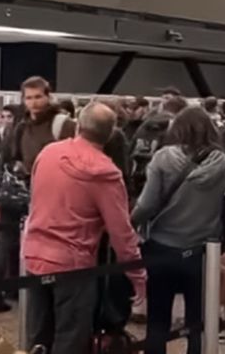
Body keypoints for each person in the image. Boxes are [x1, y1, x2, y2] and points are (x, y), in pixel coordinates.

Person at [23, 102, 146, 354]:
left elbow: (35, 197)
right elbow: (122, 235)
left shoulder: (48, 153)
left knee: (37, 338)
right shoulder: (106, 173)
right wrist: (138, 278)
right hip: (74, 265)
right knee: (70, 339)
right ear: (111, 134)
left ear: (78, 124)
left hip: (34, 256)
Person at [132, 107, 225, 354]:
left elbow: (146, 204)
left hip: (161, 248)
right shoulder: (224, 165)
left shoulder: (163, 159)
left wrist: (129, 225)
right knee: (197, 321)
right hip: (202, 252)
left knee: (158, 319)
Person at [9, 76, 76, 177]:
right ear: (23, 100)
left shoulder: (63, 124)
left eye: (38, 97)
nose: (33, 103)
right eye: (29, 98)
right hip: (30, 186)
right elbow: (17, 158)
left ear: (48, 97)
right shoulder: (22, 127)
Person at [128, 95, 188, 201]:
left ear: (162, 108)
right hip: (162, 187)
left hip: (137, 181)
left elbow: (130, 150)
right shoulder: (175, 127)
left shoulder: (145, 125)